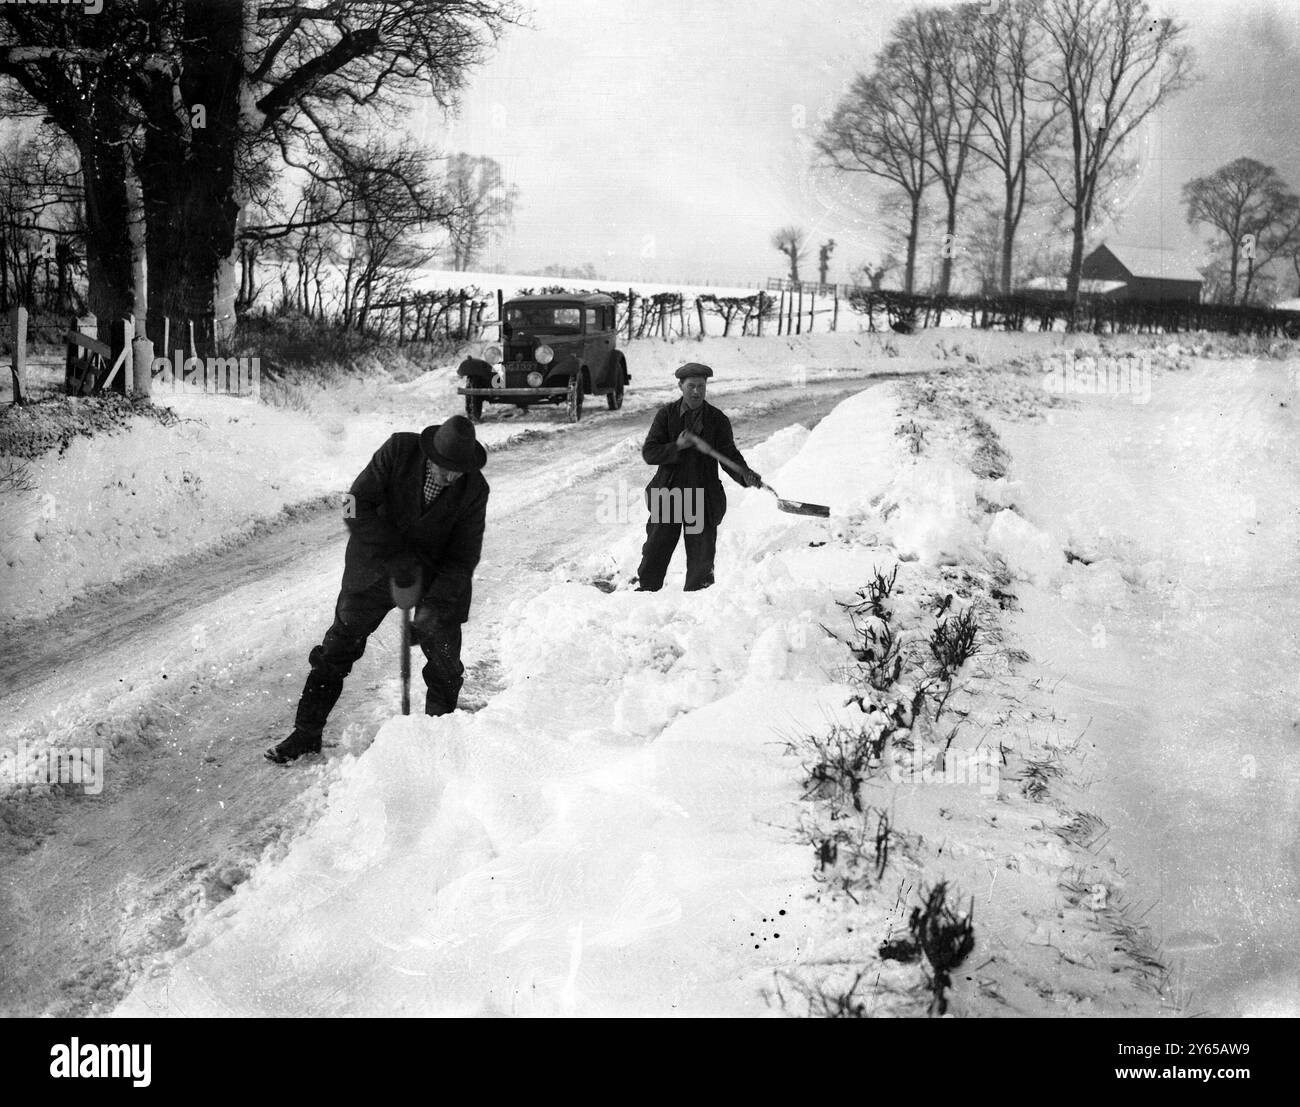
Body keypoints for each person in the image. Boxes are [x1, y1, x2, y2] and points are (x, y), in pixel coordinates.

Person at [266, 416, 489, 763]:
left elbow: (463, 557)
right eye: (445, 468)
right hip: (375, 564)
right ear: (430, 455)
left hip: (434, 574)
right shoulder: (398, 451)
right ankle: (306, 733)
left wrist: (432, 608)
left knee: (445, 663)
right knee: (338, 646)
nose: (451, 477)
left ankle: (437, 746)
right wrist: (393, 554)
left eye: (459, 470)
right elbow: (354, 503)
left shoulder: (475, 490)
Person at [634, 363, 761, 592]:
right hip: (669, 493)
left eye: (701, 386)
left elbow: (728, 455)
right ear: (680, 386)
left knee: (702, 560)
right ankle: (645, 594)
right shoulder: (666, 415)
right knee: (655, 550)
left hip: (702, 496)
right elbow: (650, 453)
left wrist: (745, 475)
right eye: (691, 386)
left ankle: (698, 602)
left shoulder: (717, 420)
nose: (696, 391)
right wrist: (676, 446)